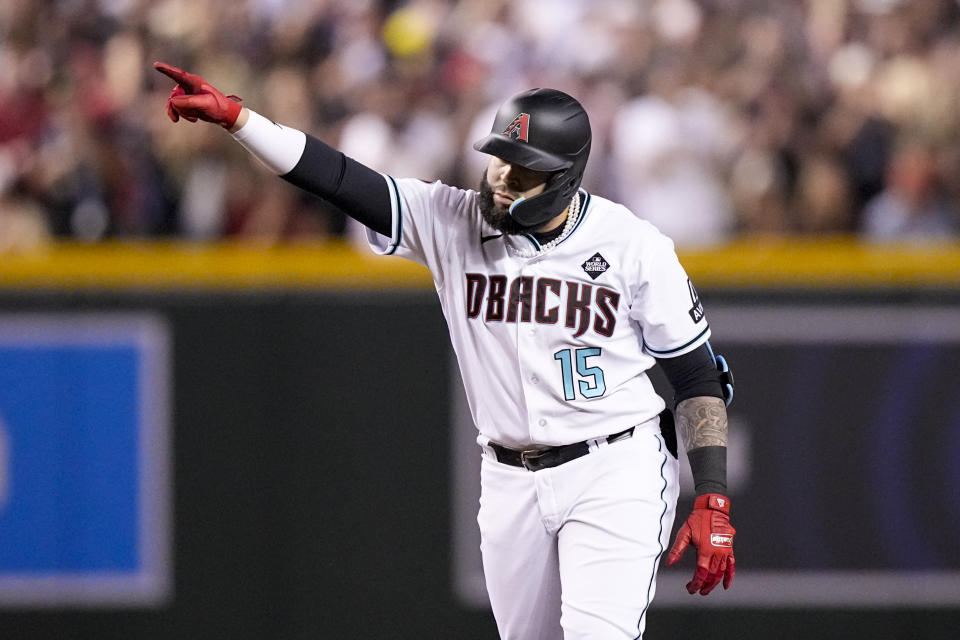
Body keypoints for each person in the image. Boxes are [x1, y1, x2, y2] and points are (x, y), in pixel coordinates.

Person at [154, 61, 737, 639]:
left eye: (522, 170)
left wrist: (711, 493)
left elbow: (696, 379)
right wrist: (240, 119)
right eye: (499, 161)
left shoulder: (633, 247)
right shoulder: (451, 219)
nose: (501, 179)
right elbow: (337, 178)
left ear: (564, 178)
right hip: (510, 475)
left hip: (615, 467)